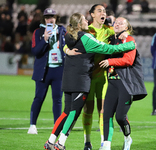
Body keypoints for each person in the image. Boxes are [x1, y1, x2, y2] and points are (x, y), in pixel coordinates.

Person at [43, 12, 136, 150]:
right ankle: (60, 143)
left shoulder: (68, 36)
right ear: (79, 24)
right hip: (80, 79)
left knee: (66, 112)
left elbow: (64, 45)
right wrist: (129, 45)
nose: (88, 21)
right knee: (74, 112)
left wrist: (67, 51)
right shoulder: (86, 38)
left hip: (68, 78)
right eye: (85, 20)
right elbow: (107, 48)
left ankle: (50, 141)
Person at [82, 4, 128, 150]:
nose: (103, 13)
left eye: (104, 11)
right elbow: (71, 40)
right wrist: (66, 49)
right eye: (99, 11)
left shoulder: (109, 31)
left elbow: (121, 35)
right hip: (88, 76)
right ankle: (87, 142)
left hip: (103, 77)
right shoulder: (86, 31)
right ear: (92, 14)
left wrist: (125, 34)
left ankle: (104, 143)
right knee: (88, 110)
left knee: (103, 110)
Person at [99, 17, 147, 150]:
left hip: (126, 83)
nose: (117, 24)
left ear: (126, 27)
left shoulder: (129, 39)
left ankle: (127, 138)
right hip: (112, 82)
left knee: (120, 116)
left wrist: (110, 62)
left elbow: (129, 60)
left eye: (121, 23)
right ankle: (106, 145)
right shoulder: (110, 40)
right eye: (116, 22)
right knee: (107, 114)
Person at [27, 8, 67, 134]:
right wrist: (44, 39)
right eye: (48, 17)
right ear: (44, 19)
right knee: (38, 98)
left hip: (59, 70)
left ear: (56, 18)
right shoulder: (38, 32)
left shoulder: (62, 30)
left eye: (53, 17)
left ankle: (57, 127)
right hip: (43, 70)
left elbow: (69, 46)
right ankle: (32, 125)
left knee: (57, 99)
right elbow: (35, 52)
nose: (50, 19)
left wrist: (63, 44)